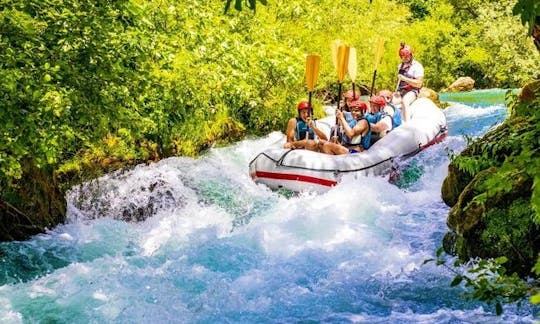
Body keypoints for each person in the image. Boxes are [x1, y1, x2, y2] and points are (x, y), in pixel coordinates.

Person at [396, 43, 424, 122]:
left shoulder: (417, 66)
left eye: (407, 56)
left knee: (405, 101)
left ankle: (407, 124)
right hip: (401, 90)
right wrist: (397, 92)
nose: (405, 58)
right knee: (389, 101)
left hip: (412, 91)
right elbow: (399, 83)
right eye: (403, 56)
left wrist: (405, 79)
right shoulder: (400, 66)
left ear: (411, 55)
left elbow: (419, 83)